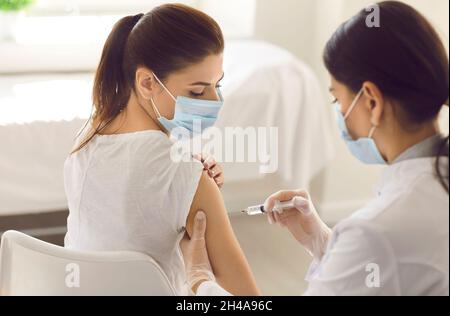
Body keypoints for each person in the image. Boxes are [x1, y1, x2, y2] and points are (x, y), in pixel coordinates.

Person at [180, 1, 449, 296]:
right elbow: (392, 270)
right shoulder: (412, 206)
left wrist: (200, 280)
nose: (338, 112)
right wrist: (322, 240)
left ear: (371, 102)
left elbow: (382, 252)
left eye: (337, 100)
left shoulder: (376, 232)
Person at [64, 4, 260, 296]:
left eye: (217, 85)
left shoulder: (88, 135)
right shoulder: (182, 173)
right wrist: (198, 278)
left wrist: (187, 172)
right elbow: (250, 301)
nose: (214, 101)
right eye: (197, 91)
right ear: (147, 82)